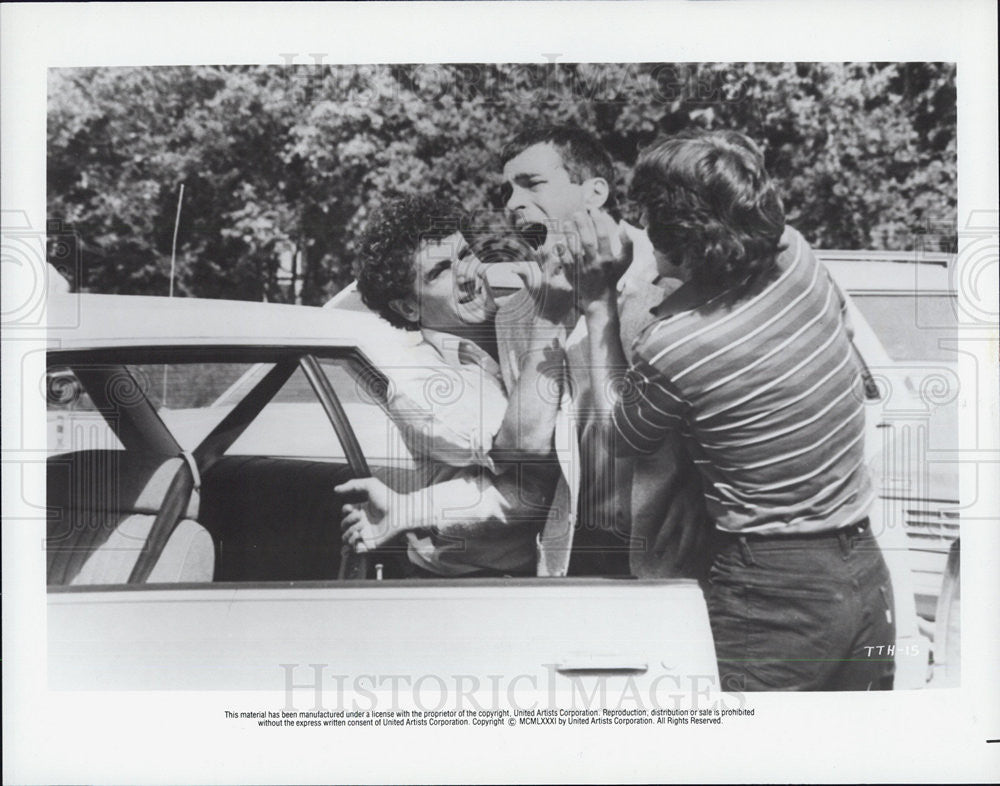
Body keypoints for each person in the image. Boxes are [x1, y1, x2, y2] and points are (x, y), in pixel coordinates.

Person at [572, 129, 895, 691]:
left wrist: (601, 304)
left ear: (680, 241)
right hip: (865, 567)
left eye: (651, 223)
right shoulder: (796, 257)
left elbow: (622, 441)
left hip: (772, 595)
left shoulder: (673, 346)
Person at [499, 124, 711, 577]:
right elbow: (522, 448)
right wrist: (546, 318)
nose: (512, 204)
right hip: (575, 548)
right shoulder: (516, 314)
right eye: (507, 190)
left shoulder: (672, 276)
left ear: (594, 192)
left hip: (673, 550)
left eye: (531, 184)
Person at [335, 194, 575, 577]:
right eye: (440, 271)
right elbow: (530, 460)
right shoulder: (418, 380)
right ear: (408, 309)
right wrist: (408, 510)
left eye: (465, 254)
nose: (467, 273)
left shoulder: (503, 326)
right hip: (468, 584)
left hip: (534, 569)